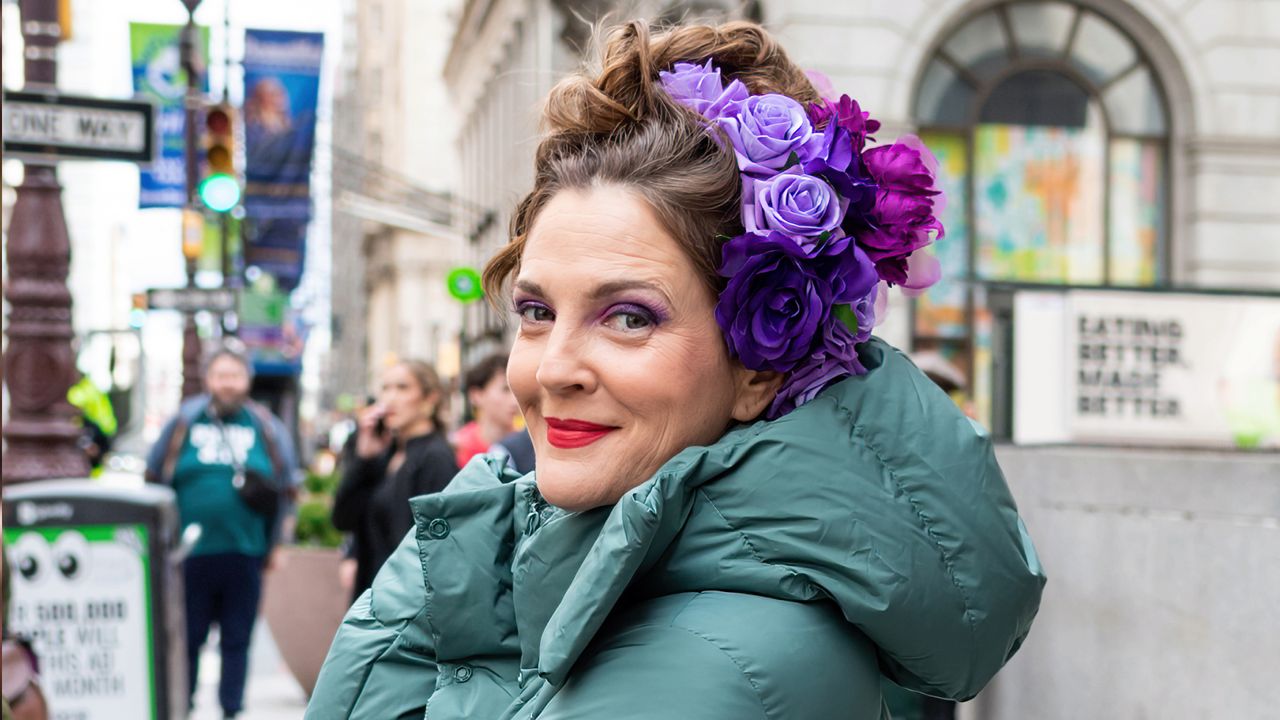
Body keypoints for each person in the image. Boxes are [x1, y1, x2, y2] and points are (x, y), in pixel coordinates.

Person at [308, 20, 1045, 719]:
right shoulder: (569, 551)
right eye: (536, 312)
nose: (552, 368)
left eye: (629, 318)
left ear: (759, 367)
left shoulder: (718, 667)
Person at [145, 344, 297, 720]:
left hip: (246, 550)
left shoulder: (267, 427)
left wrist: (278, 542)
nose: (227, 384)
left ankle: (232, 709)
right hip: (188, 554)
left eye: (235, 375)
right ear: (208, 379)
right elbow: (152, 475)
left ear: (247, 379)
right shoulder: (183, 422)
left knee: (237, 637)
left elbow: (288, 486)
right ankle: (184, 705)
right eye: (220, 375)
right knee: (188, 637)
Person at [330, 360, 459, 600]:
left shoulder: (435, 457)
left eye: (402, 388)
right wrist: (363, 460)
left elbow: (438, 546)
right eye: (385, 388)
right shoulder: (387, 453)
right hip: (373, 595)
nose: (390, 398)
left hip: (406, 604)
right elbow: (342, 519)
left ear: (430, 398)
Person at [451, 353, 521, 467]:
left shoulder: (529, 445)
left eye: (516, 390)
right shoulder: (458, 448)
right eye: (505, 389)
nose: (515, 401)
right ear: (476, 395)